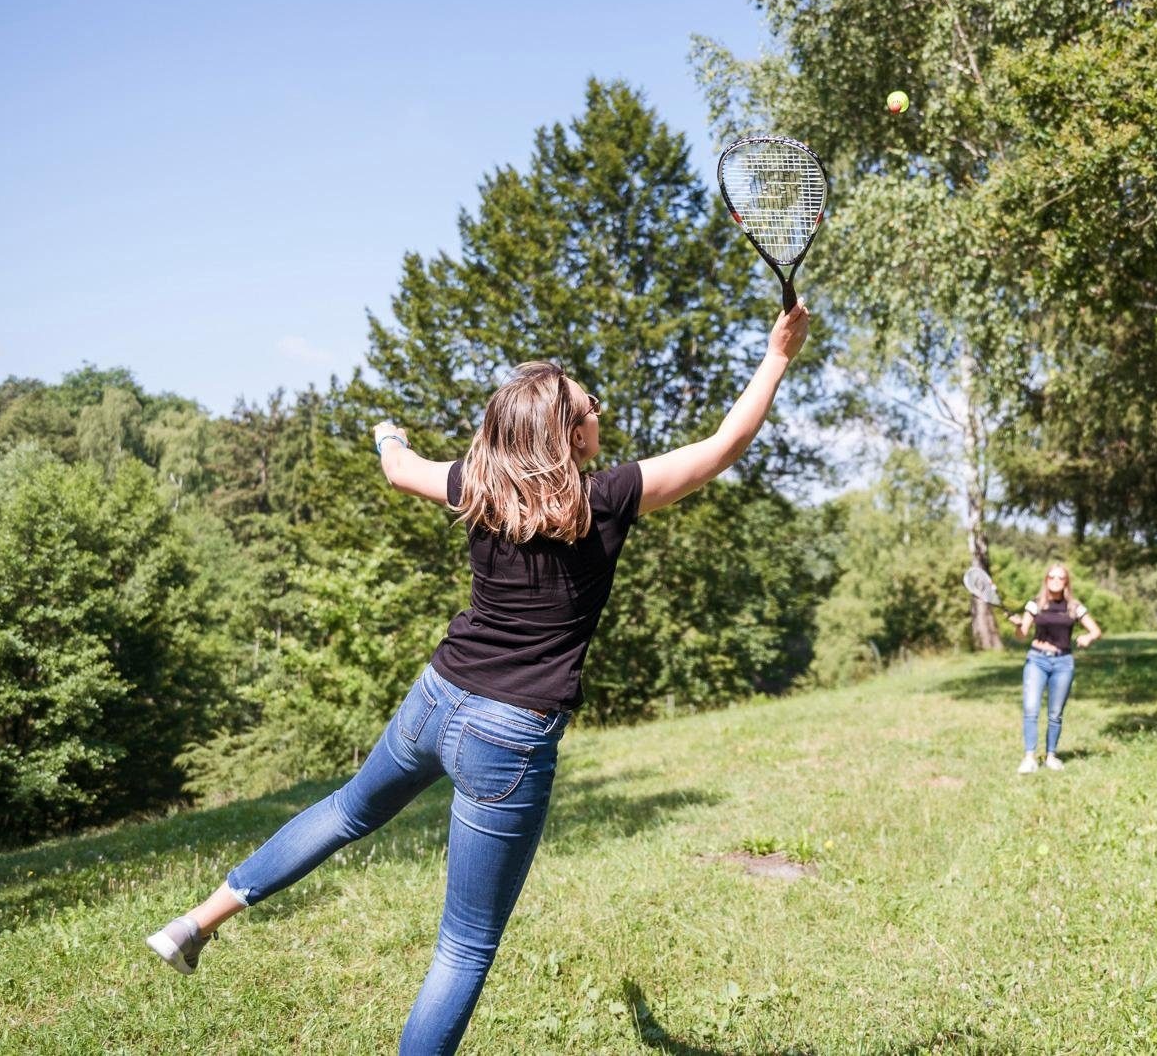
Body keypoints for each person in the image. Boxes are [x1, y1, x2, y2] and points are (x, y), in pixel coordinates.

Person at [144, 303, 809, 1054]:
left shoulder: (478, 486)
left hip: (437, 698)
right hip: (510, 736)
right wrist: (778, 355)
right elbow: (724, 446)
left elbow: (397, 469)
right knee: (462, 949)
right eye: (591, 405)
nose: (600, 410)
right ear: (569, 434)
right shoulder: (604, 498)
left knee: (346, 810)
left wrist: (386, 430)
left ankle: (195, 922)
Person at [1007, 562, 1102, 773]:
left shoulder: (1074, 607)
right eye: (1052, 577)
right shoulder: (1035, 604)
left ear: (1066, 582)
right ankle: (1029, 758)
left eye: (1060, 578)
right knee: (1031, 709)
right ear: (1046, 580)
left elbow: (1096, 631)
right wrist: (1017, 626)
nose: (1056, 581)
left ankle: (1051, 756)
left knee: (1055, 713)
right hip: (1037, 660)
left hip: (1063, 663)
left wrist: (1088, 638)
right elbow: (1022, 635)